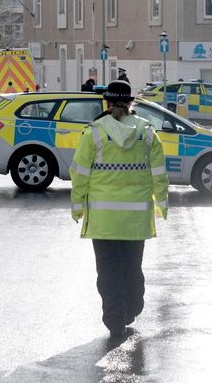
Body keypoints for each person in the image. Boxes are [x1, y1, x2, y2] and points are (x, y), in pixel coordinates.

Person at [69, 80, 169, 338]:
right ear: (130, 102)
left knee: (108, 271)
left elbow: (79, 172)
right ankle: (133, 307)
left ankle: (114, 320)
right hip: (135, 219)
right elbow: (159, 173)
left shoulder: (94, 132)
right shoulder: (147, 133)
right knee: (132, 267)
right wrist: (162, 204)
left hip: (103, 220)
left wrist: (77, 206)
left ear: (107, 102)